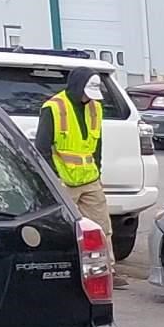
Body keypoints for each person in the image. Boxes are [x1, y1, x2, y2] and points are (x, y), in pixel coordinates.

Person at [36, 67, 109, 239]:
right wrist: (54, 179)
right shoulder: (54, 108)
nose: (88, 98)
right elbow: (42, 148)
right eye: (86, 93)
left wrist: (97, 172)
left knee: (102, 228)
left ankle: (107, 264)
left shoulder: (95, 108)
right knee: (62, 230)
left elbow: (97, 144)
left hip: (90, 179)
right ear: (77, 86)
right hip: (64, 181)